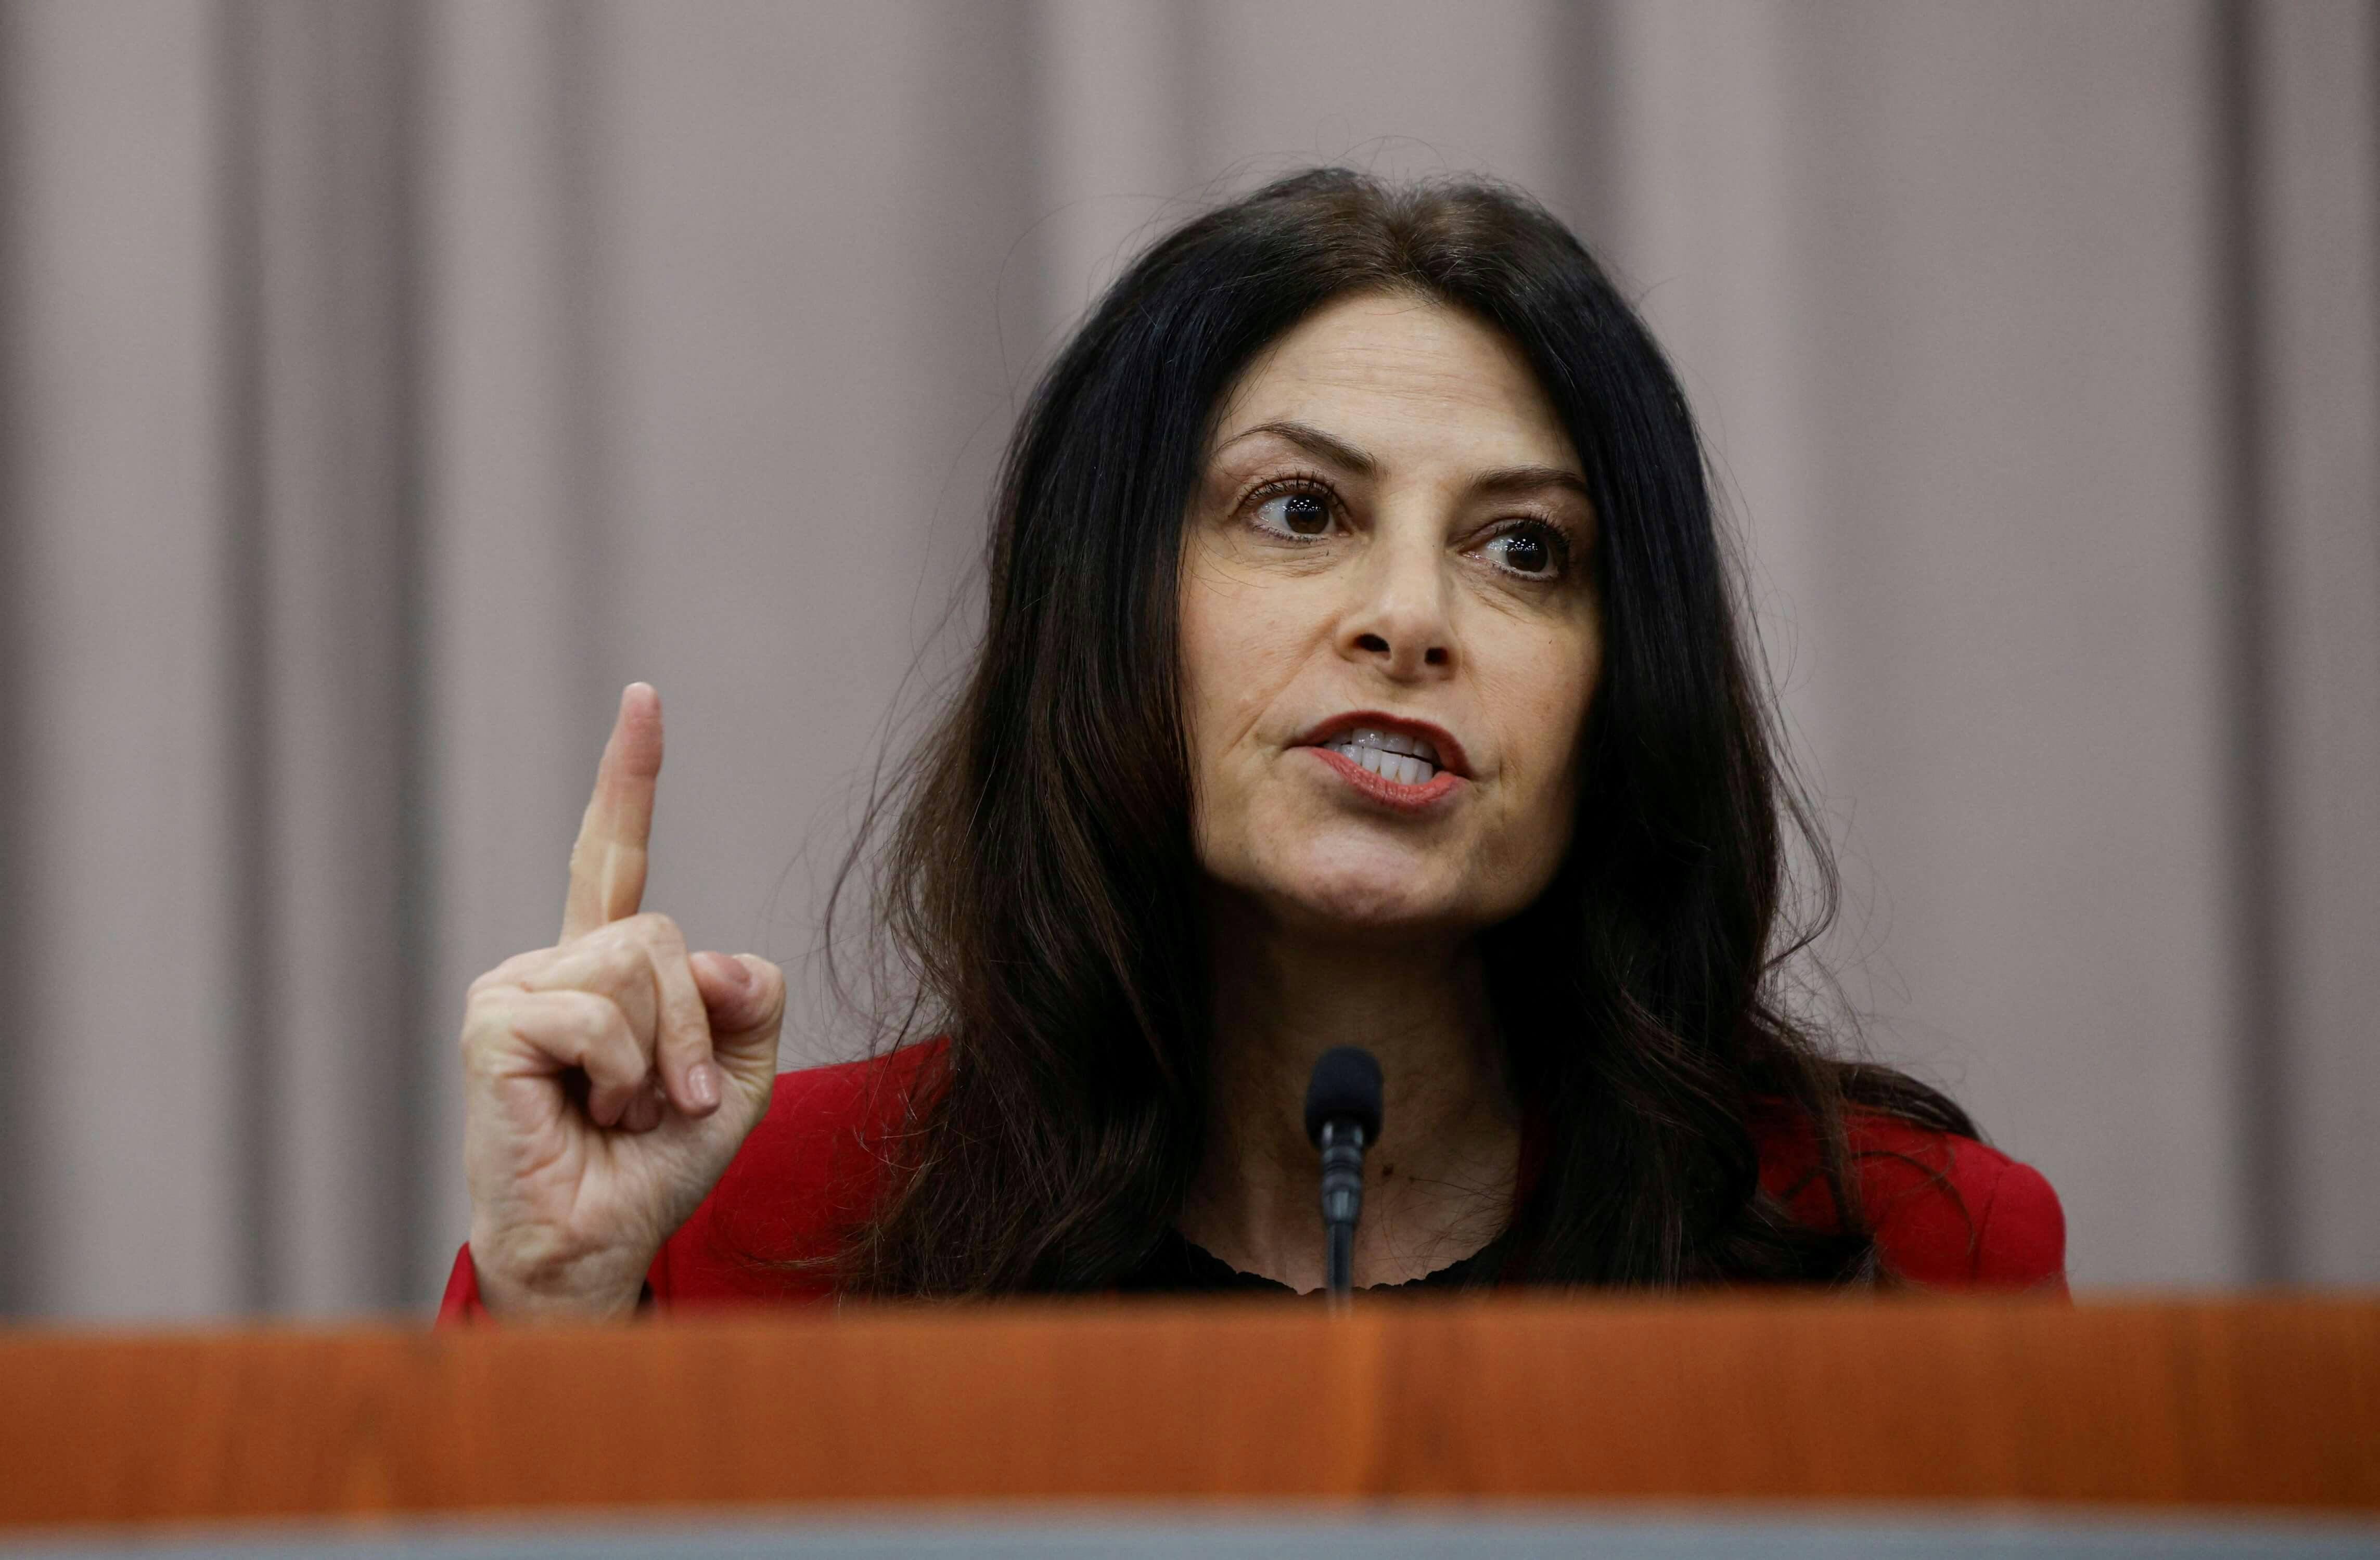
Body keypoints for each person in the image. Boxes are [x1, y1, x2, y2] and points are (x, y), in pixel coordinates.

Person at [442, 169, 2064, 1321]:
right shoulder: (755, 1238)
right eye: (1299, 512)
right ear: (1112, 613)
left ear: (1624, 682)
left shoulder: (1913, 1259)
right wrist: (556, 1318)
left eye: (1524, 550)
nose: (1409, 617)